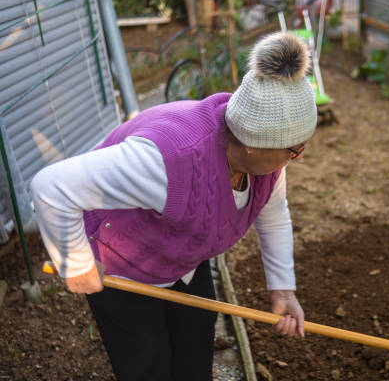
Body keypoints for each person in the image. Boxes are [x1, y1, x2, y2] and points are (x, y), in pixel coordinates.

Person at [30, 32, 317, 381]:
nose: (297, 158)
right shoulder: (168, 161)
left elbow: (272, 218)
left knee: (195, 343)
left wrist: (283, 289)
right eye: (295, 150)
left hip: (181, 256)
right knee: (147, 361)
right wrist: (75, 264)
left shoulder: (268, 167)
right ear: (254, 142)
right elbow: (51, 187)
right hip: (122, 262)